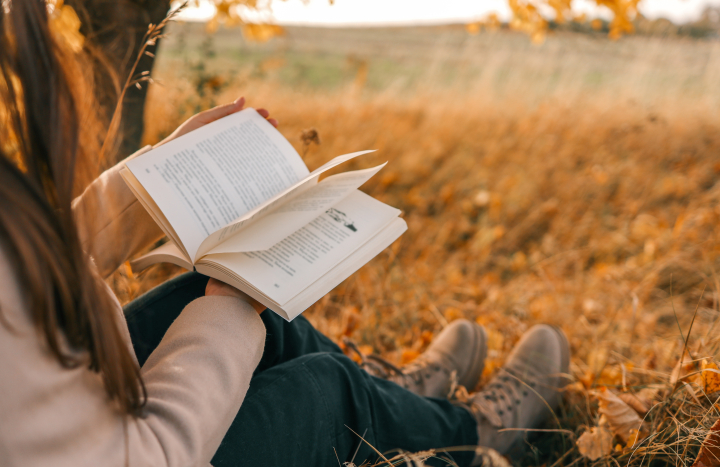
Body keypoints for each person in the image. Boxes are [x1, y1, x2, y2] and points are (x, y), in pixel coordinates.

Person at [0, 1, 570, 466]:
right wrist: (227, 309)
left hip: (73, 391)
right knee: (324, 392)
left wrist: (154, 180)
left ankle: (396, 403)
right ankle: (472, 438)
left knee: (229, 310)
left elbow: (30, 266)